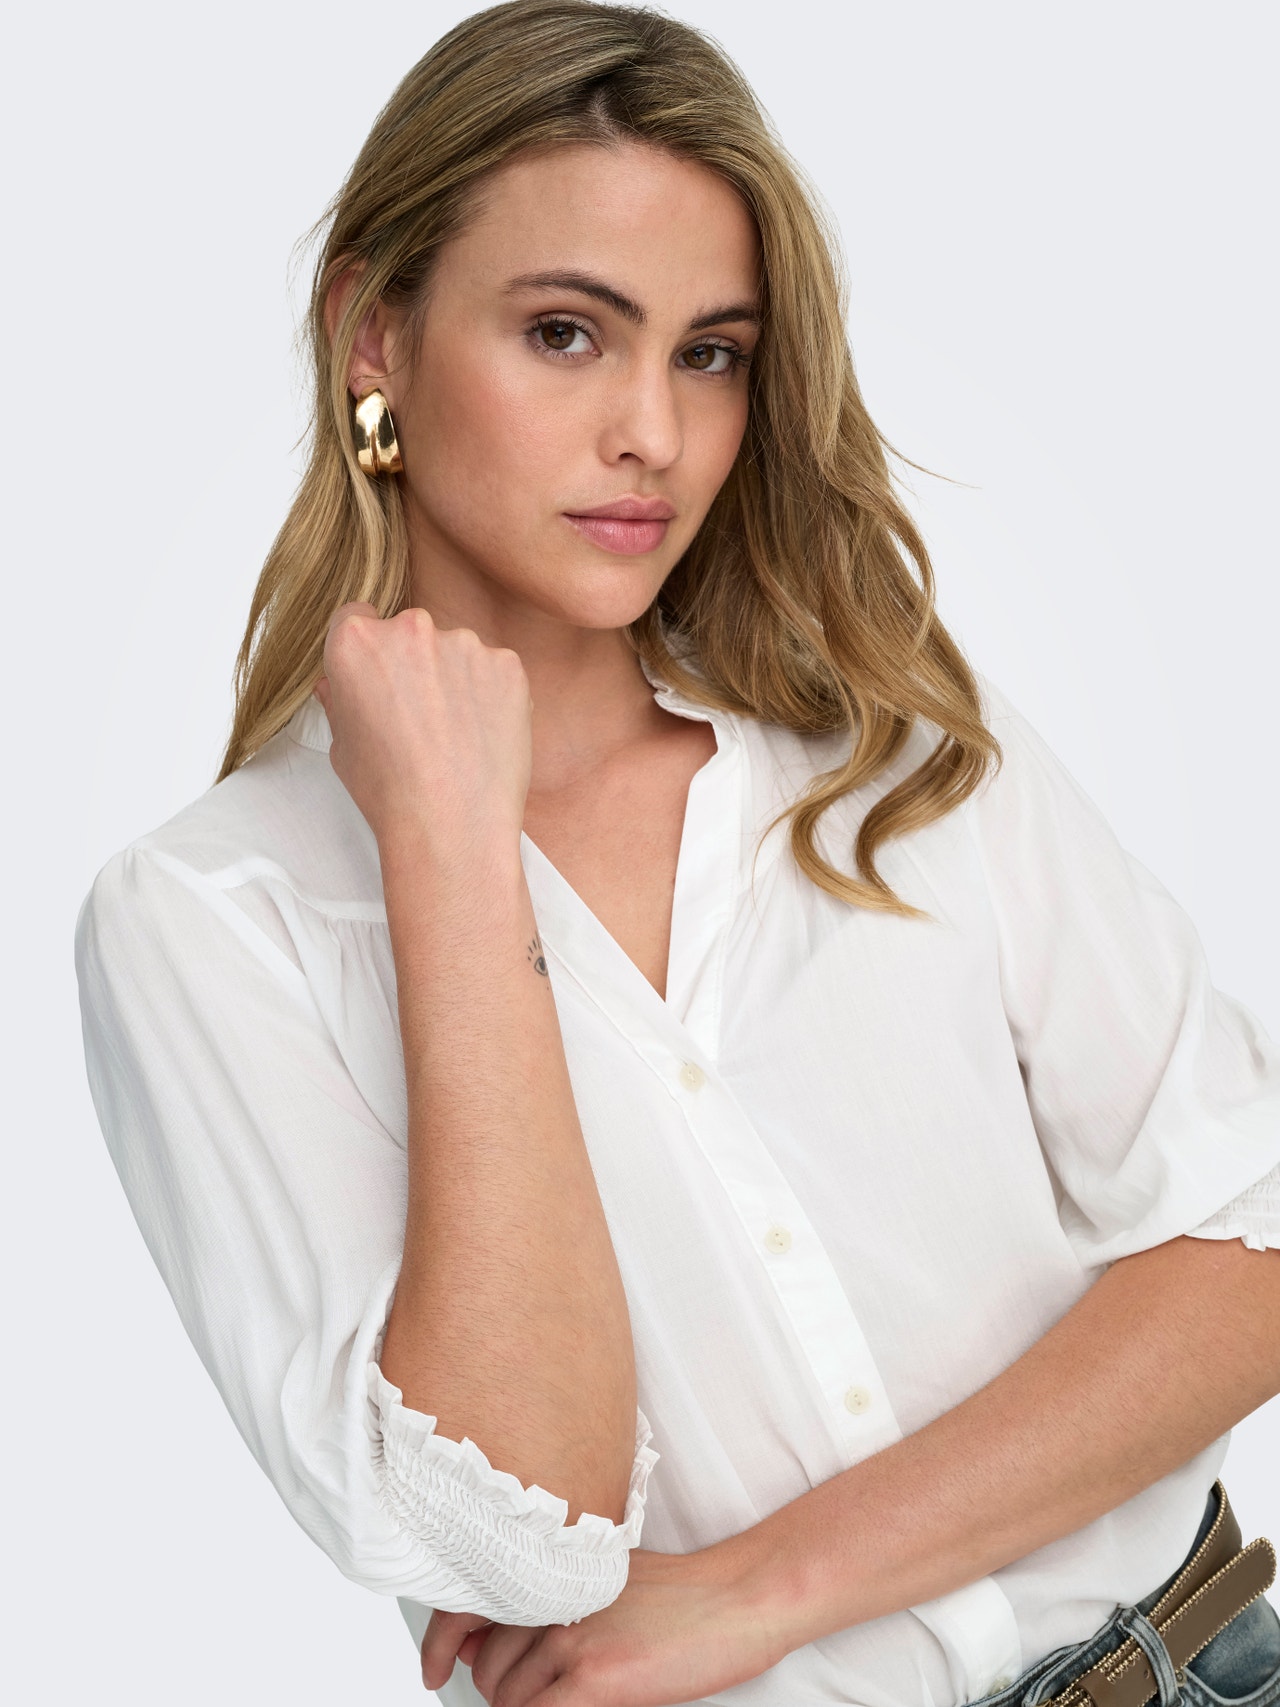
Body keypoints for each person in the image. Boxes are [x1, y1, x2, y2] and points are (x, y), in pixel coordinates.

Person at [73, 3, 1280, 1705]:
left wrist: (759, 1591)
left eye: (710, 353)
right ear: (372, 332)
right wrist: (450, 860)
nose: (654, 428)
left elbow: (1250, 1245)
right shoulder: (211, 920)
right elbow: (515, 1541)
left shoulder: (887, 747)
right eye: (567, 334)